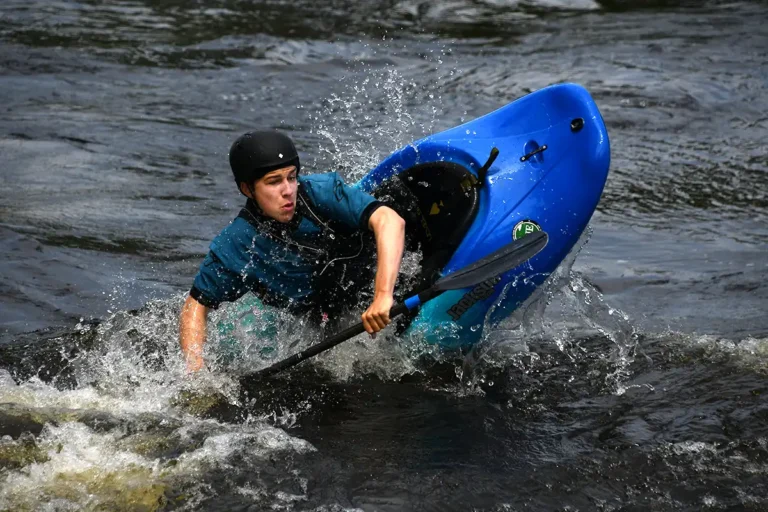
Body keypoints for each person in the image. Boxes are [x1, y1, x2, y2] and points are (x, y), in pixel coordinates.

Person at [180, 130, 405, 372]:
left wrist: (382, 295)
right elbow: (196, 305)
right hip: (326, 315)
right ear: (247, 189)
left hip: (384, 279)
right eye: (274, 181)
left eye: (291, 177)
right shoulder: (238, 243)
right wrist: (196, 374)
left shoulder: (321, 192)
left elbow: (390, 221)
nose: (288, 191)